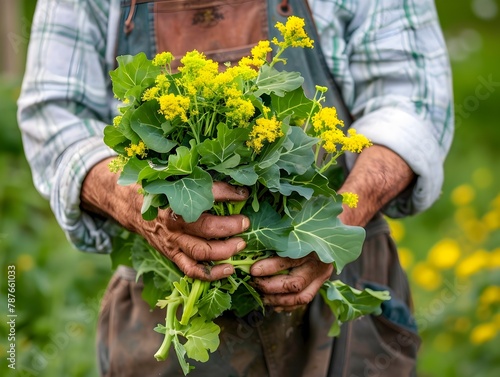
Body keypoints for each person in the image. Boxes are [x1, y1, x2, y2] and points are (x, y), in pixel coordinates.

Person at [17, 0, 454, 376]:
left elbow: (412, 101)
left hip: (341, 294)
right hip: (168, 294)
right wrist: (144, 206)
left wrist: (331, 225)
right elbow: (55, 116)